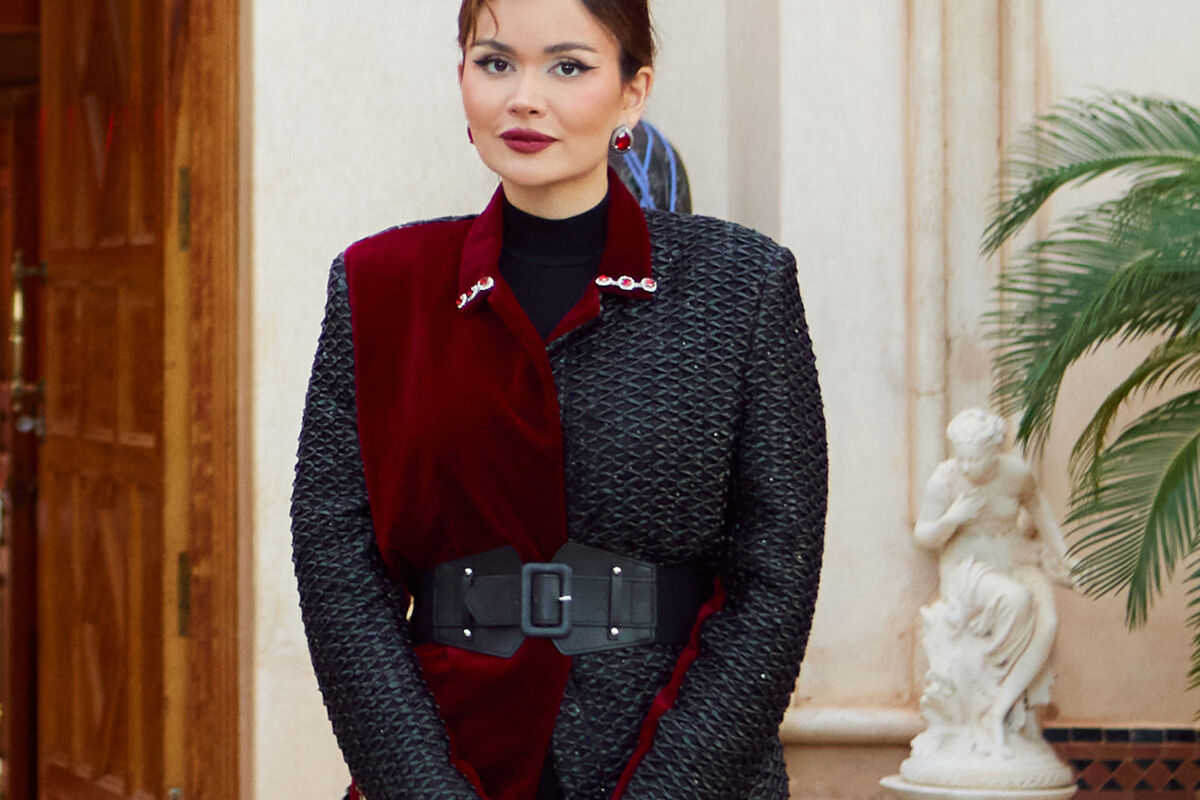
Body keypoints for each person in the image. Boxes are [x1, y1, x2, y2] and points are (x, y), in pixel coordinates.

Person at [290, 1, 827, 798]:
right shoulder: (379, 288)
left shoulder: (740, 286)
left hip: (681, 764)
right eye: (495, 62)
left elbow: (776, 578)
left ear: (633, 91)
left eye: (567, 66)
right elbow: (338, 569)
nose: (524, 98)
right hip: (450, 753)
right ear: (462, 77)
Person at [913, 408, 1074, 757]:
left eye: (974, 459)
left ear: (993, 452)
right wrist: (952, 519)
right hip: (967, 567)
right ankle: (987, 702)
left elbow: (1040, 511)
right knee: (1016, 601)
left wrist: (1064, 555)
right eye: (962, 458)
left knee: (1047, 622)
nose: (966, 466)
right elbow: (923, 536)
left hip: (1015, 558)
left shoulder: (1016, 474)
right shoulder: (946, 479)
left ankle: (1004, 708)